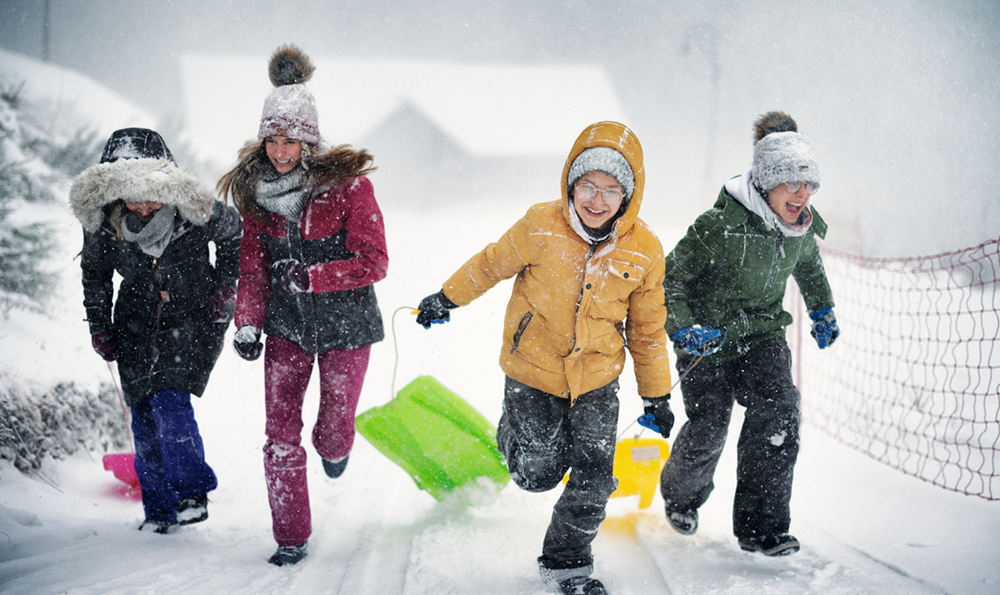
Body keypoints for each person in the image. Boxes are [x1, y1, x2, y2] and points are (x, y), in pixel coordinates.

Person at [415, 121, 674, 595]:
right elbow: (489, 263)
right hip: (531, 370)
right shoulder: (540, 225)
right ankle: (512, 429)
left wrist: (656, 395)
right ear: (571, 184)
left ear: (629, 196)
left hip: (597, 377)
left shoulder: (645, 251)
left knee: (595, 478)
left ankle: (567, 564)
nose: (597, 200)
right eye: (588, 186)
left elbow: (648, 331)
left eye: (611, 190)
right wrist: (446, 298)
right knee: (537, 474)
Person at [217, 45, 388, 567]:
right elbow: (250, 269)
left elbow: (375, 261)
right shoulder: (255, 193)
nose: (280, 151)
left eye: (290, 140)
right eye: (272, 139)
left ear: (308, 139)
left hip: (348, 326)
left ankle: (336, 447)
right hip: (287, 328)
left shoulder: (349, 187)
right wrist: (246, 322)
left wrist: (314, 276)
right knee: (278, 433)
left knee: (333, 428)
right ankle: (290, 536)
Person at [657, 111, 839, 557]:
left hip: (760, 335)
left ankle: (763, 527)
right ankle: (680, 495)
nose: (803, 195)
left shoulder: (799, 227)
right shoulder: (717, 226)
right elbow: (670, 282)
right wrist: (685, 330)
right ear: (766, 183)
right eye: (793, 185)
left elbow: (809, 267)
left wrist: (823, 309)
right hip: (709, 339)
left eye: (809, 184)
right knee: (710, 425)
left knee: (779, 412)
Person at [70, 128, 241, 534]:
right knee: (144, 420)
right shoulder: (104, 223)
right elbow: (94, 275)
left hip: (191, 321)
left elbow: (235, 234)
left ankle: (191, 494)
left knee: (170, 403)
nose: (143, 206)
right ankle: (160, 512)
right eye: (132, 195)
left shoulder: (195, 210)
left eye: (151, 193)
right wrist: (99, 326)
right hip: (134, 326)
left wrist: (226, 288)